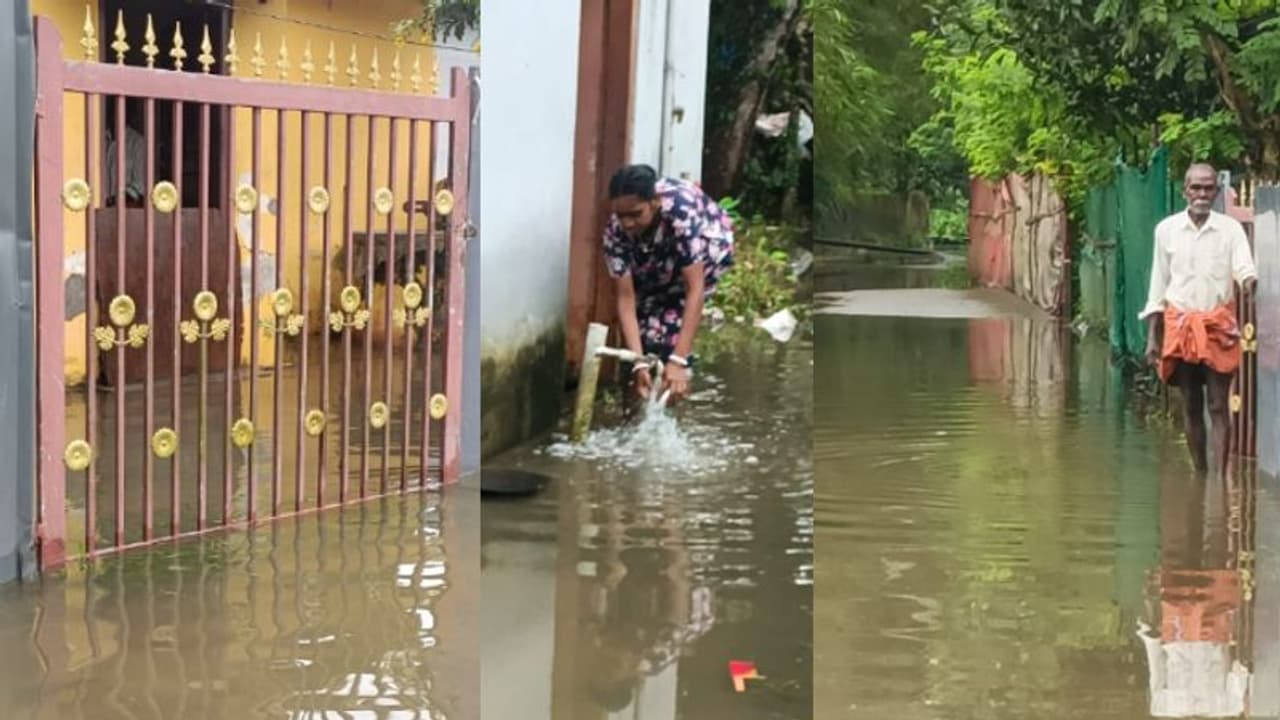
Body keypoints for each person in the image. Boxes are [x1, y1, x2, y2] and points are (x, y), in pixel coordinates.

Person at [1142, 163, 1256, 479]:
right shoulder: (1166, 230)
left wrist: (1250, 283)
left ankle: (1220, 480)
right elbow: (1157, 287)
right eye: (1196, 187)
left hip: (1217, 327)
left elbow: (1244, 268)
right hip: (1181, 327)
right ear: (1185, 191)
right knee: (1191, 404)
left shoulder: (1230, 230)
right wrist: (1153, 337)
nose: (1202, 194)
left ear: (1217, 192)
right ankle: (1201, 475)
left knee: (1218, 405)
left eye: (1208, 188)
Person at [602, 164, 734, 403]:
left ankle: (673, 406)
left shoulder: (680, 213)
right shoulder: (615, 233)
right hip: (654, 261)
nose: (628, 223)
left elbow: (695, 289)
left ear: (655, 202)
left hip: (704, 256)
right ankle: (635, 409)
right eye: (621, 215)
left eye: (635, 214)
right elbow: (626, 298)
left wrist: (678, 360)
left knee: (671, 346)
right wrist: (638, 361)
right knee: (641, 346)